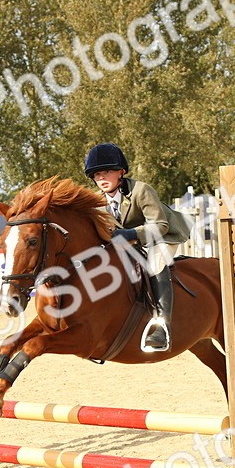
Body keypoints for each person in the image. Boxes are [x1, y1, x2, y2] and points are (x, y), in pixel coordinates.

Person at [83, 142, 191, 352]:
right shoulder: (96, 201)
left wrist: (131, 234)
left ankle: (162, 325)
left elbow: (160, 226)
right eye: (96, 175)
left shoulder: (141, 190)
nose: (101, 179)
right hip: (130, 239)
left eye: (106, 172)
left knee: (155, 261)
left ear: (121, 172)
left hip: (165, 234)